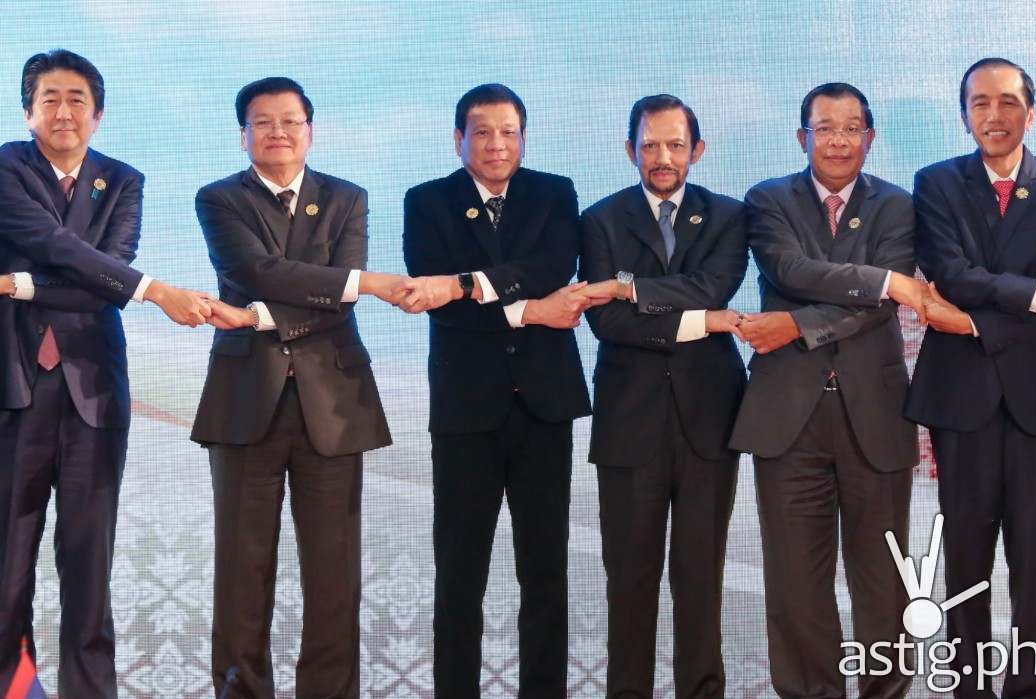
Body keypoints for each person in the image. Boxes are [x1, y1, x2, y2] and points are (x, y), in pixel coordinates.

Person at [0, 49, 211, 697]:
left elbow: (103, 282)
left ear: (98, 113)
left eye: (77, 99)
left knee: (89, 561)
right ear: (28, 109)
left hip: (94, 394)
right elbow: (60, 247)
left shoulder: (123, 179)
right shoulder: (5, 169)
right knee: (8, 562)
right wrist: (147, 288)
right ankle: (13, 685)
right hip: (14, 389)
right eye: (50, 98)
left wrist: (16, 284)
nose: (64, 111)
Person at [192, 76, 406, 698]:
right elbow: (252, 270)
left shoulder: (347, 198)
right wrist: (355, 284)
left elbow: (338, 291)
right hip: (243, 404)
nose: (278, 131)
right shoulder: (220, 199)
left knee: (334, 574)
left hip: (333, 406)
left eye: (290, 120)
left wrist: (261, 314)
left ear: (310, 131)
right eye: (263, 121)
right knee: (242, 570)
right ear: (244, 135)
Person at [729, 82, 926, 698]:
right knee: (794, 580)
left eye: (851, 128)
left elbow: (873, 312)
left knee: (883, 580)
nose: (838, 140)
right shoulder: (766, 201)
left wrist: (793, 323)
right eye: (824, 127)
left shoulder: (899, 207)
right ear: (802, 137)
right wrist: (884, 281)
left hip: (876, 410)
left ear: (869, 137)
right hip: (788, 417)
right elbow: (789, 269)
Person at [401, 83, 595, 698]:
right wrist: (529, 311)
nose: (496, 144)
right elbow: (434, 300)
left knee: (545, 571)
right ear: (458, 139)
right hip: (465, 410)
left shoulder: (553, 192)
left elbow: (554, 267)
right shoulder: (426, 201)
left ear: (524, 138)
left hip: (543, 405)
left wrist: (464, 284)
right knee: (459, 573)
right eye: (482, 132)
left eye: (508, 132)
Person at [577, 94, 747, 697]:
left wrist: (626, 286)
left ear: (696, 150)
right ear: (630, 151)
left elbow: (715, 285)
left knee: (700, 577)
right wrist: (702, 319)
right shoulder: (598, 220)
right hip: (629, 425)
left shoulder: (729, 216)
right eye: (649, 145)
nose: (663, 157)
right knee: (629, 579)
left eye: (675, 144)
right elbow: (607, 325)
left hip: (710, 421)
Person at [905, 57, 1036, 698]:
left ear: (1031, 111)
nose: (994, 115)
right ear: (964, 113)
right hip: (961, 398)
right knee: (965, 554)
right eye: (980, 103)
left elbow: (968, 296)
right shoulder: (936, 183)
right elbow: (951, 274)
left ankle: (1031, 686)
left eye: (1008, 102)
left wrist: (976, 321)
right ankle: (968, 686)